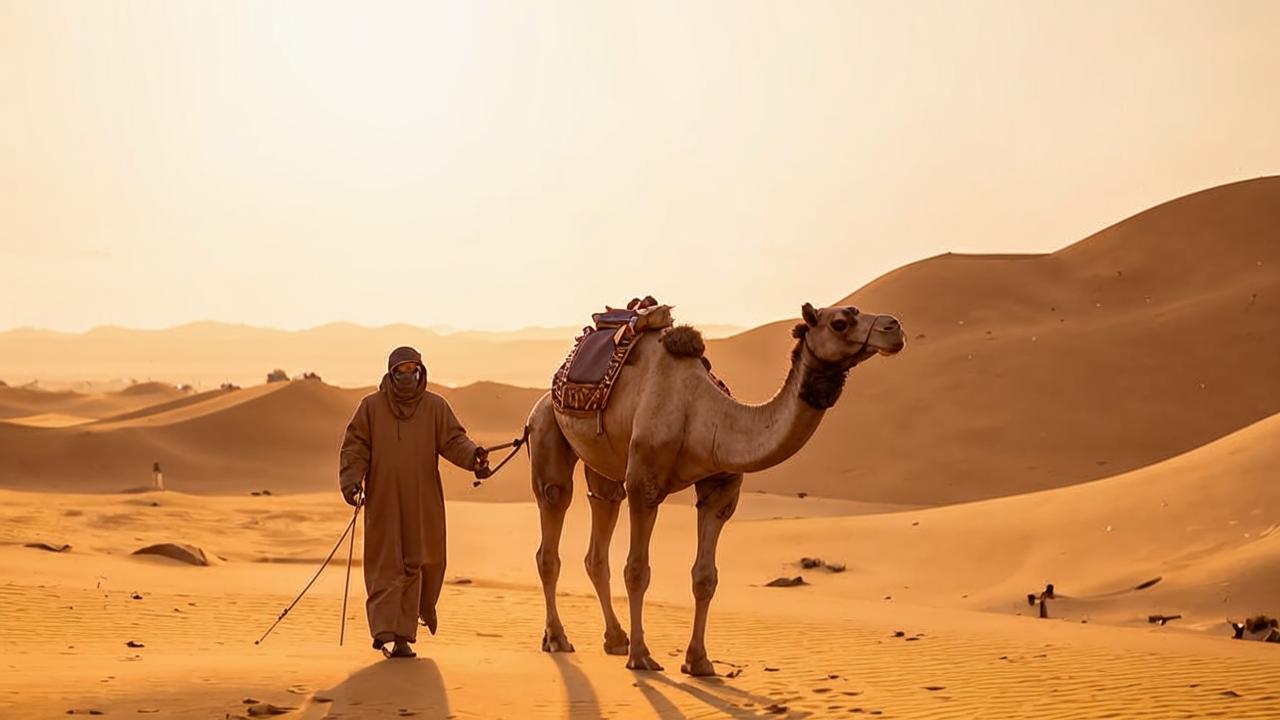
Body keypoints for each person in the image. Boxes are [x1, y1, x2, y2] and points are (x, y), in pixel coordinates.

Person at [338, 346, 490, 659]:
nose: (407, 377)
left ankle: (412, 622)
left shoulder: (435, 406)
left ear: (421, 371)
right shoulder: (371, 407)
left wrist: (474, 458)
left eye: (412, 370)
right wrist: (352, 483)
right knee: (386, 565)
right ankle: (389, 634)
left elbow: (453, 441)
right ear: (391, 374)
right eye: (401, 371)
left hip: (423, 501)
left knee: (422, 561)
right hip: (384, 501)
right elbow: (355, 447)